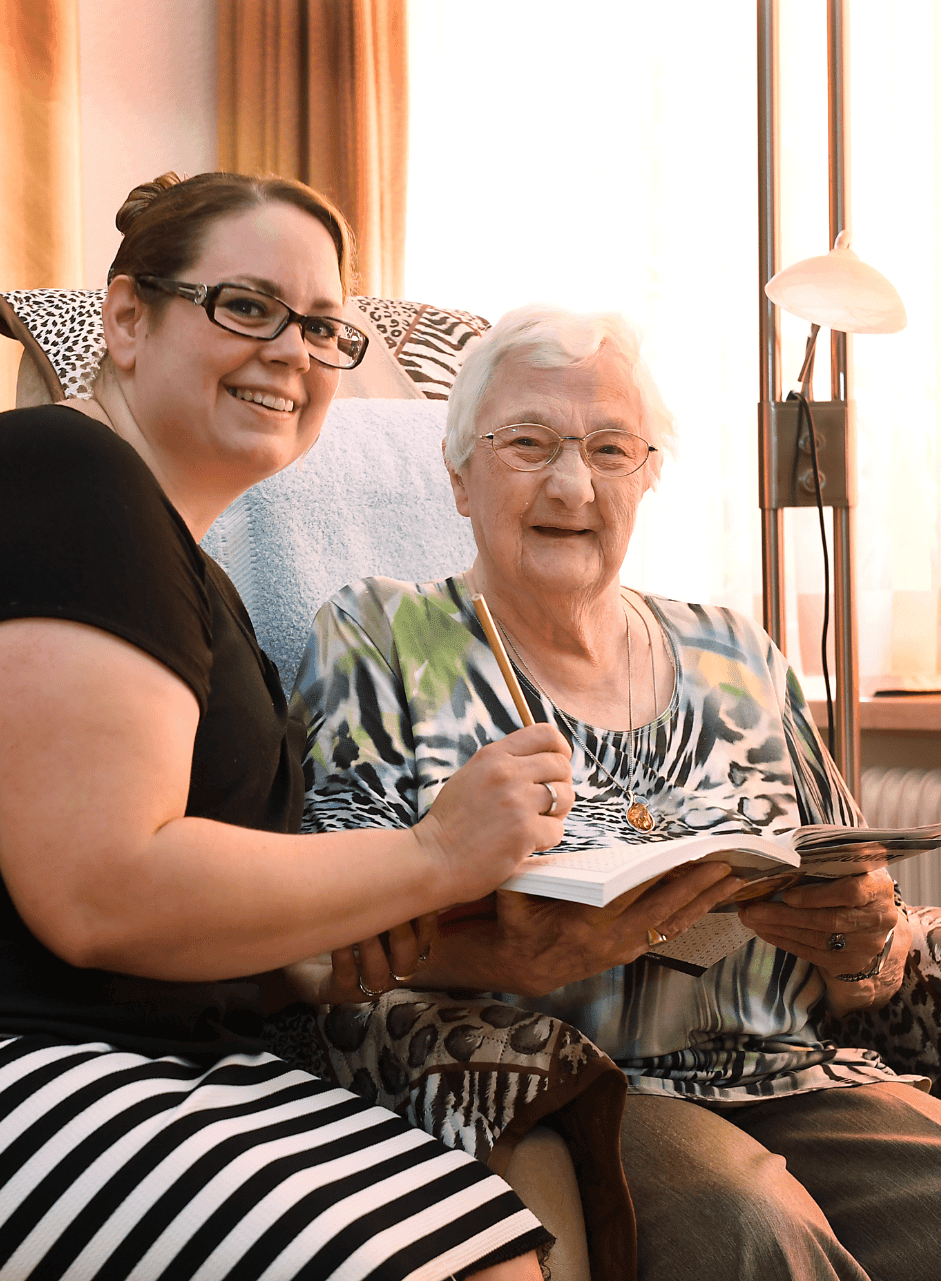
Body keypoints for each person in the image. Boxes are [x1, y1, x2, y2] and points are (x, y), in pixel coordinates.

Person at [0, 175, 572, 1280]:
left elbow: (111, 890)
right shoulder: (51, 474)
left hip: (60, 1060)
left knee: (491, 1235)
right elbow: (101, 891)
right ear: (127, 319)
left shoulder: (185, 576)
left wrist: (305, 955)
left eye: (325, 326)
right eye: (245, 306)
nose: (293, 349)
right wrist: (430, 855)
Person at [292, 302, 941, 1281]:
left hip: (793, 1066)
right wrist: (507, 958)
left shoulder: (733, 653)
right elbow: (335, 935)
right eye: (530, 444)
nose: (571, 483)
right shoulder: (387, 636)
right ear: (460, 475)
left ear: (647, 476)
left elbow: (862, 901)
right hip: (578, 1085)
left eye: (608, 449)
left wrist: (870, 940)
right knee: (750, 1226)